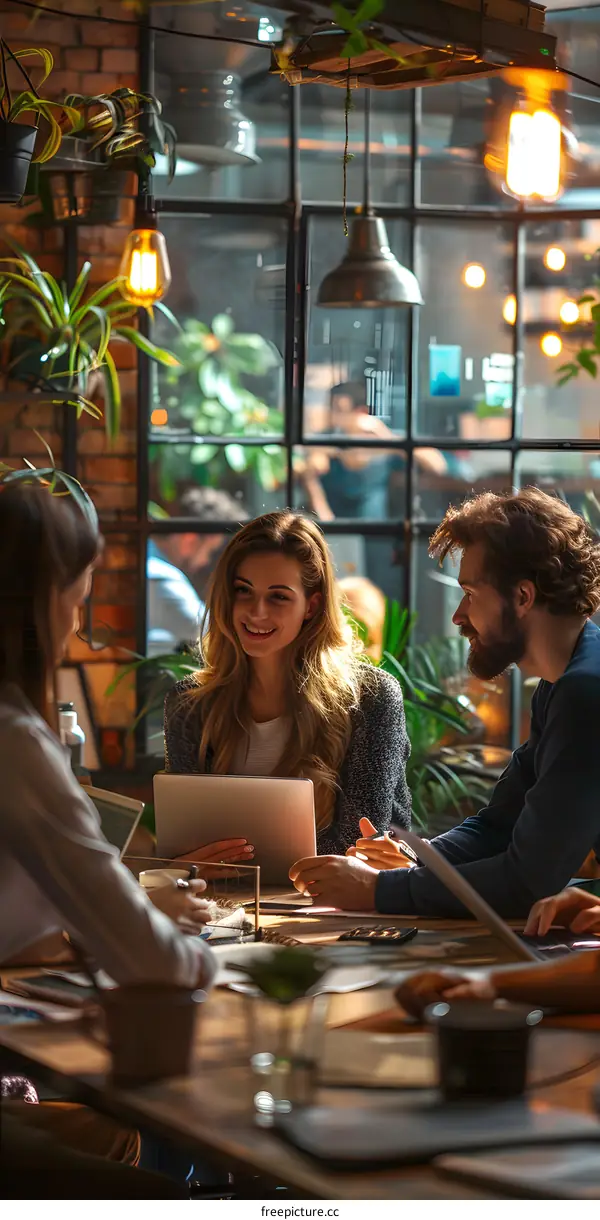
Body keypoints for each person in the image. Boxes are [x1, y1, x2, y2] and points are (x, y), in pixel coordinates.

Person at [0, 481, 215, 1196]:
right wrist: (217, 970)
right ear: (42, 601)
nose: (79, 618)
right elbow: (158, 966)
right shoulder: (15, 742)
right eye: (79, 593)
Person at [290, 487, 600, 918]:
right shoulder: (564, 681)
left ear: (522, 597)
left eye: (470, 593)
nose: (458, 615)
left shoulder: (586, 691)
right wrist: (415, 856)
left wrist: (378, 890)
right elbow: (498, 827)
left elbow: (527, 879)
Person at [164, 510, 411, 860]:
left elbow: (362, 842)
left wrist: (242, 859)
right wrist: (192, 864)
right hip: (223, 894)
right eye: (243, 591)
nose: (256, 612)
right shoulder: (188, 703)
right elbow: (187, 845)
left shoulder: (371, 697)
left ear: (311, 605)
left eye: (278, 596)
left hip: (333, 896)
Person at [147, 486, 248, 657]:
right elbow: (212, 631)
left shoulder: (147, 559)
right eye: (209, 551)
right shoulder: (161, 578)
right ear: (190, 539)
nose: (205, 561)